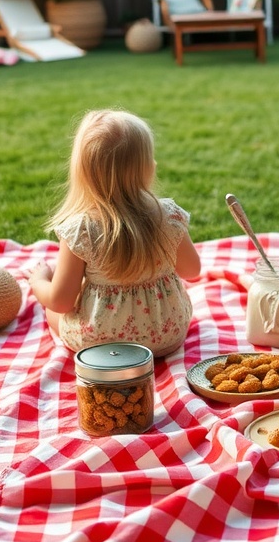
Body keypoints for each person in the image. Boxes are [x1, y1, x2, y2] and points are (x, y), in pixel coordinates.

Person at [27, 109, 201, 356]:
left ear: (82, 174)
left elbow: (61, 300)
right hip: (166, 336)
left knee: (52, 311)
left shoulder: (81, 230)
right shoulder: (168, 215)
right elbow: (192, 270)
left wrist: (39, 281)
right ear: (148, 168)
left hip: (101, 347)